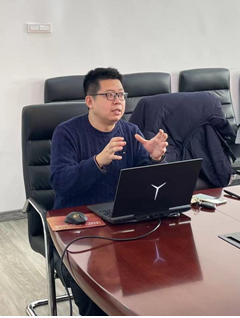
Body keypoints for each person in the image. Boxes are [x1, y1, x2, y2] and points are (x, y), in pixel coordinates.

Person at [50, 67, 168, 315]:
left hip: (122, 221)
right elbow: (60, 182)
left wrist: (154, 159)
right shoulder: (66, 133)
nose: (118, 101)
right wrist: (97, 162)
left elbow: (145, 185)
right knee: (96, 296)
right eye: (110, 95)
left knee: (157, 275)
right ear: (89, 101)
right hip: (80, 227)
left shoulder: (131, 132)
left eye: (121, 95)